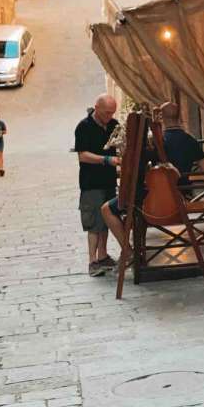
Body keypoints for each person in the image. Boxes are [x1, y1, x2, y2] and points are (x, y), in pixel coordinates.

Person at [75, 94, 119, 275]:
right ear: (97, 108)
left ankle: (103, 255)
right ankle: (92, 261)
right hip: (91, 182)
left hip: (108, 180)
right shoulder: (84, 127)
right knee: (94, 223)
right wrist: (106, 160)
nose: (109, 116)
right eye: (106, 112)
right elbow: (82, 155)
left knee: (106, 220)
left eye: (112, 113)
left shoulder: (113, 125)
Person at [159, 101, 204, 187]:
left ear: (162, 118)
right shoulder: (191, 140)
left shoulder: (158, 141)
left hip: (163, 190)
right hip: (185, 188)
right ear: (179, 117)